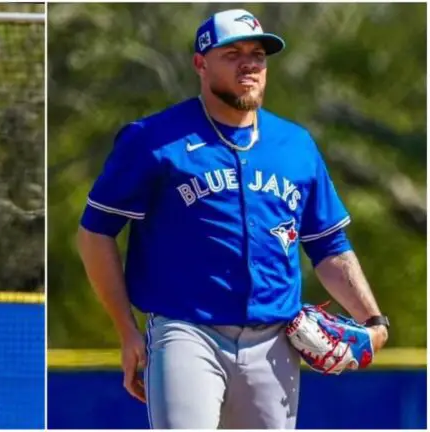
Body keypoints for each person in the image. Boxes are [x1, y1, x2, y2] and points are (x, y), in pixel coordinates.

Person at [76, 9, 389, 429]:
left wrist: (373, 322)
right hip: (187, 331)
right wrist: (127, 331)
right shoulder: (153, 139)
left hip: (275, 339)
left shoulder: (294, 144)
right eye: (233, 53)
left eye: (258, 54)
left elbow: (329, 246)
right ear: (200, 64)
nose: (250, 64)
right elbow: (95, 232)